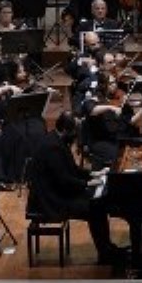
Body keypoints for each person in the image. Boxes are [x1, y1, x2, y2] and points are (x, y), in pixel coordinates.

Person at [27, 113, 125, 265]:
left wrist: (93, 174)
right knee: (95, 208)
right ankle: (105, 253)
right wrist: (88, 184)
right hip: (52, 200)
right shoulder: (53, 147)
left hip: (57, 192)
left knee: (97, 205)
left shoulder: (57, 139)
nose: (76, 136)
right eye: (74, 132)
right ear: (66, 130)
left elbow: (72, 169)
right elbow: (63, 181)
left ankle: (107, 249)